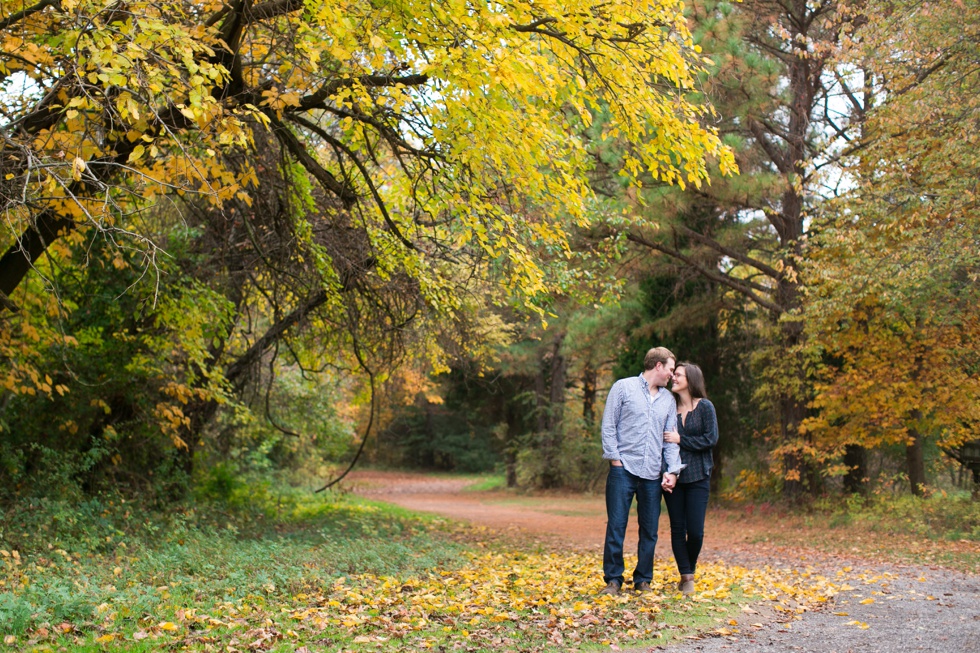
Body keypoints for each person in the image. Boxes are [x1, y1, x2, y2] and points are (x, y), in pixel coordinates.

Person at [598, 347, 683, 595]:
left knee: (650, 529)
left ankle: (643, 579)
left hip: (652, 474)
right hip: (623, 470)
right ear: (658, 366)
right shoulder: (623, 387)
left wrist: (672, 470)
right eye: (670, 369)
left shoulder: (668, 400)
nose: (671, 375)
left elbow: (669, 440)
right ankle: (613, 580)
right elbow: (609, 425)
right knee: (616, 525)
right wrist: (615, 460)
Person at [663, 362, 719, 595]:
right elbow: (663, 443)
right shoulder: (668, 407)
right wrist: (668, 472)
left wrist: (681, 440)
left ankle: (690, 568)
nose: (673, 378)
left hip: (698, 476)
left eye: (678, 375)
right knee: (677, 529)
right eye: (673, 374)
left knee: (695, 531)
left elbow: (710, 439)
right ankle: (687, 577)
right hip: (674, 478)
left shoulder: (705, 407)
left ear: (691, 379)